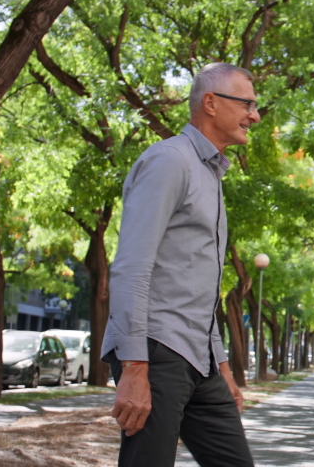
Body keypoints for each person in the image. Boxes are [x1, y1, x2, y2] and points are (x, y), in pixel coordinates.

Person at [101, 62, 261, 467]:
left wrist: (221, 364)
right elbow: (132, 266)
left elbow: (197, 286)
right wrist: (134, 365)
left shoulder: (211, 174)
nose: (254, 116)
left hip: (199, 358)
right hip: (157, 351)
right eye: (247, 103)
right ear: (210, 103)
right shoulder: (170, 161)